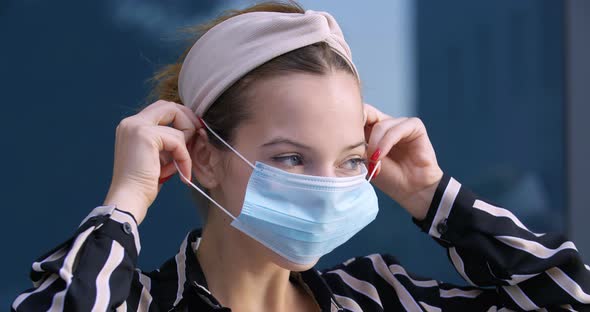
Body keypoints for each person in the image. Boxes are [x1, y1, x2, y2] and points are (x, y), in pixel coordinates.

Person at [11, 2, 590, 311]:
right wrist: (126, 201)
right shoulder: (137, 304)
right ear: (204, 156)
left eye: (348, 160)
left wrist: (431, 195)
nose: (327, 187)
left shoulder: (383, 297)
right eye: (290, 158)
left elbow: (566, 299)